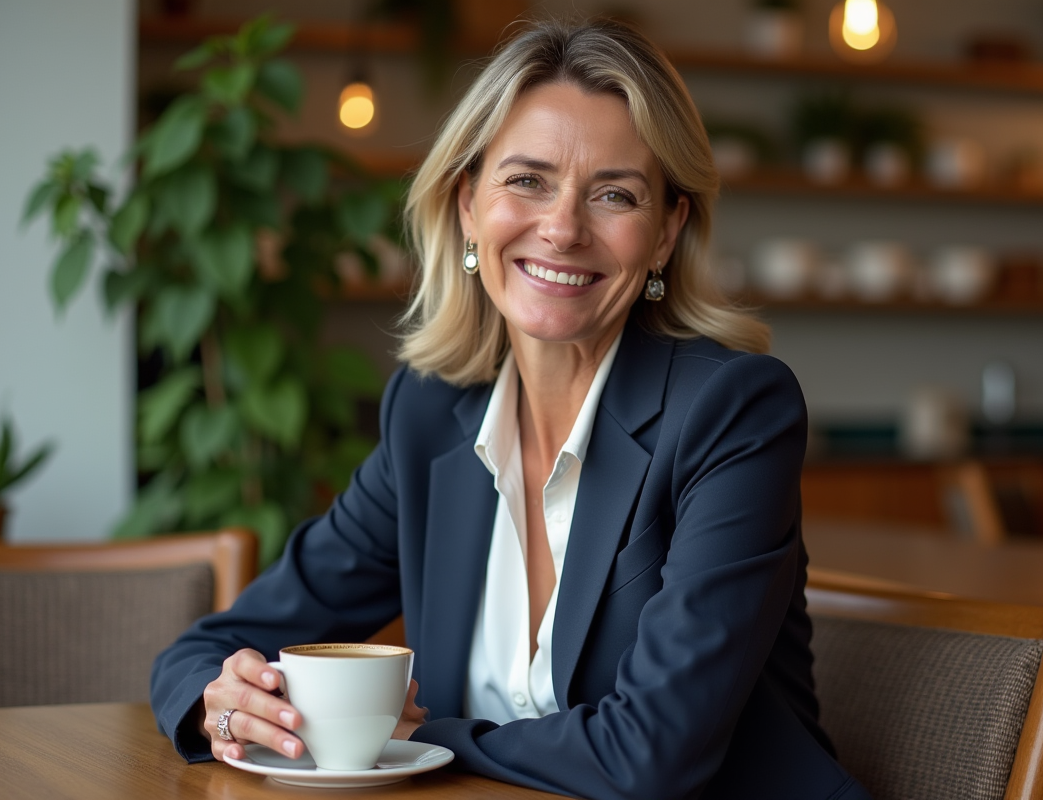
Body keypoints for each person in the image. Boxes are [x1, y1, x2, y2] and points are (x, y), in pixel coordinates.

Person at [151, 18, 871, 800]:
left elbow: (653, 754)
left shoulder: (731, 412)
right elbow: (214, 646)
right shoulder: (430, 415)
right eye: (527, 180)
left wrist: (422, 742)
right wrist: (223, 703)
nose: (561, 229)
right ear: (468, 204)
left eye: (615, 195)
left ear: (667, 232)